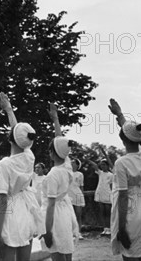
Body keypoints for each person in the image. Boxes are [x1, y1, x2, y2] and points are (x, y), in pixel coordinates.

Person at [108, 98, 141, 260]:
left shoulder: (121, 163)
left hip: (131, 214)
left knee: (131, 254)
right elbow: (133, 136)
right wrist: (120, 115)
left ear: (123, 139)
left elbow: (123, 196)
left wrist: (121, 228)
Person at [0, 92, 41, 261]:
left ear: (10, 139)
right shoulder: (29, 157)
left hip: (9, 215)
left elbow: (3, 200)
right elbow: (19, 135)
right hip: (26, 211)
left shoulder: (5, 164)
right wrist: (9, 110)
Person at [40, 103, 78, 261]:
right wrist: (55, 119)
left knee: (57, 253)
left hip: (55, 216)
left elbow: (51, 205)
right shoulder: (67, 165)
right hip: (66, 211)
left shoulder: (54, 174)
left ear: (51, 153)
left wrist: (47, 231)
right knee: (66, 250)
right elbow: (60, 141)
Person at [88, 147, 113, 236]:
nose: (102, 166)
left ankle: (110, 228)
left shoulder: (111, 175)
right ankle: (105, 228)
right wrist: (88, 160)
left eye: (104, 165)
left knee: (108, 212)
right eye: (101, 165)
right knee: (102, 212)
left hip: (108, 194)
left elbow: (112, 186)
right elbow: (95, 166)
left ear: (107, 166)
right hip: (100, 193)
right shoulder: (100, 173)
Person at [68, 158, 85, 238]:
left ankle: (78, 232)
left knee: (78, 214)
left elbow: (81, 186)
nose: (71, 163)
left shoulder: (80, 174)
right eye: (71, 162)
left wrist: (81, 196)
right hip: (68, 195)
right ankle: (71, 232)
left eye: (73, 162)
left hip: (77, 195)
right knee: (70, 215)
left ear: (77, 165)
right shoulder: (67, 172)